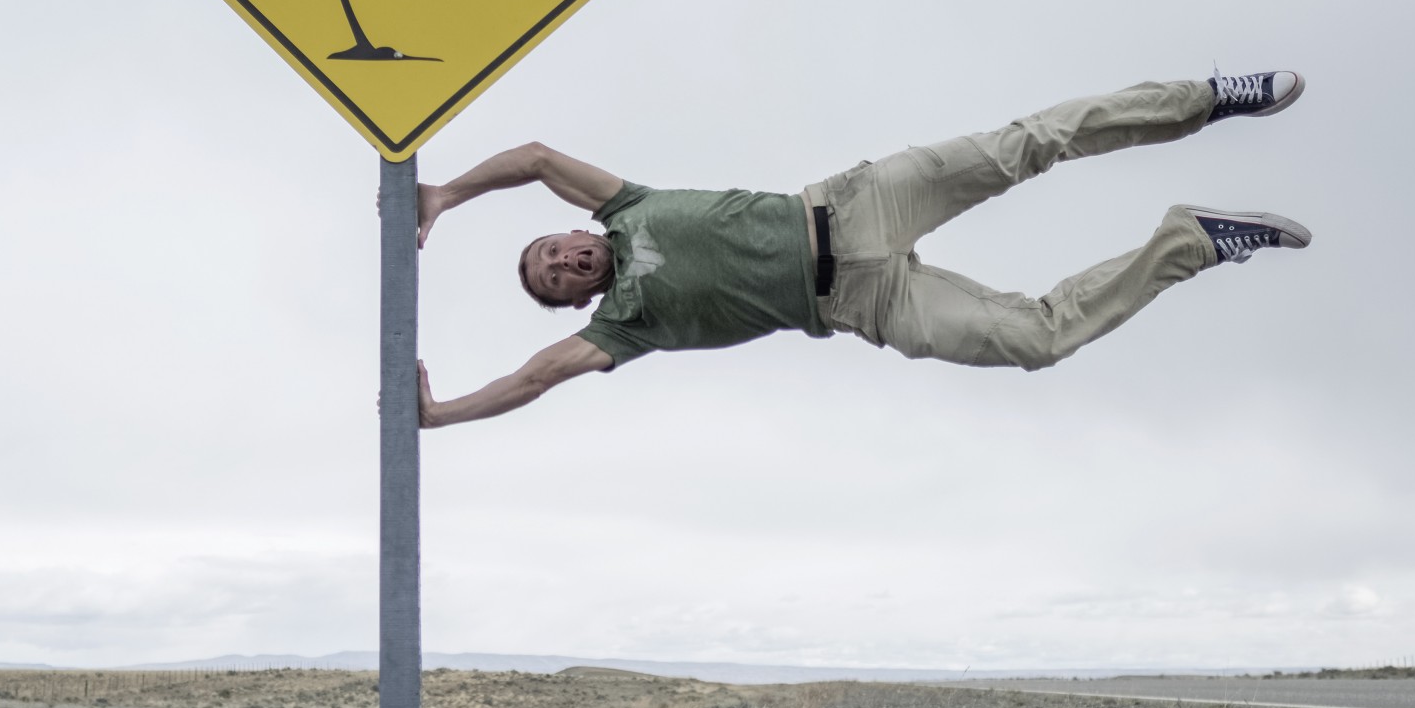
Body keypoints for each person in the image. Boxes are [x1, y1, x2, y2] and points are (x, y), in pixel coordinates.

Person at [415, 73, 1310, 428]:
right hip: (861, 307)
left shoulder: (627, 205)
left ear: (575, 229)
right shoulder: (622, 327)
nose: (561, 266)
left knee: (1029, 143)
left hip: (853, 209)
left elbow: (535, 158)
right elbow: (535, 377)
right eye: (553, 281)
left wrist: (446, 194)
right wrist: (441, 414)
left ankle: (1205, 99)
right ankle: (1191, 241)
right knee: (1037, 338)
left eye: (553, 250)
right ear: (575, 303)